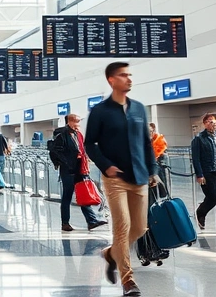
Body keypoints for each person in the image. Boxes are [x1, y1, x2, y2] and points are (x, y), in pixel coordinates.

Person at [84, 62, 160, 297]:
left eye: (130, 75)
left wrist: (153, 169)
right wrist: (106, 166)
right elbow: (89, 144)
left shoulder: (138, 108)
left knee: (139, 227)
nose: (129, 79)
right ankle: (128, 281)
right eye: (123, 75)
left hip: (139, 177)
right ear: (111, 80)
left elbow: (147, 143)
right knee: (122, 226)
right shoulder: (100, 111)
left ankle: (110, 253)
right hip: (115, 178)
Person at [53, 114, 107, 232]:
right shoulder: (61, 135)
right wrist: (70, 159)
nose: (79, 124)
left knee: (83, 192)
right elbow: (57, 152)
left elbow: (83, 149)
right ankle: (65, 223)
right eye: (77, 121)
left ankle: (91, 221)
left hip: (79, 168)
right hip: (68, 169)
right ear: (70, 122)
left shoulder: (78, 134)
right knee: (67, 195)